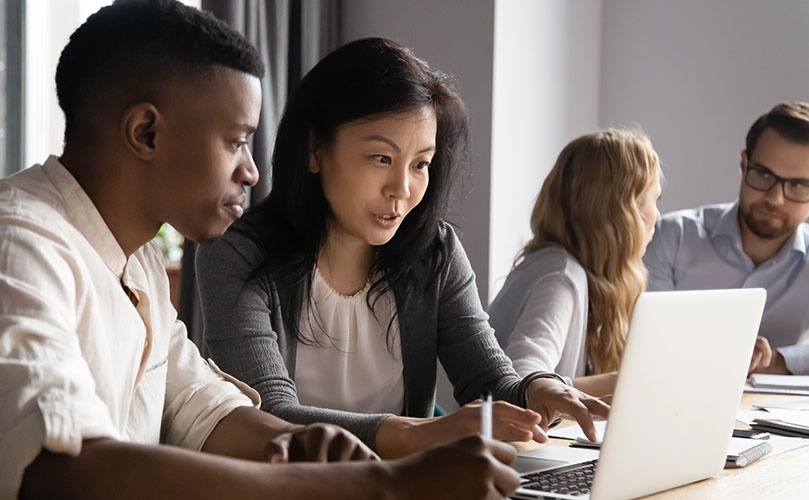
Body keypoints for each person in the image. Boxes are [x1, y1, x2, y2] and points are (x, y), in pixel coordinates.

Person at [0, 2, 522, 499]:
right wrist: (389, 485)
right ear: (146, 131)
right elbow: (60, 470)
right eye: (236, 141)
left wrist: (294, 444)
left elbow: (201, 406)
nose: (251, 171)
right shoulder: (20, 244)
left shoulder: (138, 263)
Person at [196, 37, 609, 460]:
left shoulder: (436, 251)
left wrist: (538, 389)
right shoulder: (237, 254)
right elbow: (271, 418)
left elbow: (489, 380)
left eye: (420, 164)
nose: (403, 189)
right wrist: (418, 434)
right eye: (381, 158)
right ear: (315, 149)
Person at [488, 129, 662, 397]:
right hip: (503, 439)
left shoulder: (561, 267)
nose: (657, 216)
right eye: (653, 200)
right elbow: (522, 381)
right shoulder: (561, 277)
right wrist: (621, 381)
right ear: (622, 213)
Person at [643, 102, 809, 376]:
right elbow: (648, 342)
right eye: (764, 174)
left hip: (774, 413)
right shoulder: (673, 237)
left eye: (799, 185)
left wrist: (776, 361)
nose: (775, 199)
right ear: (744, 164)